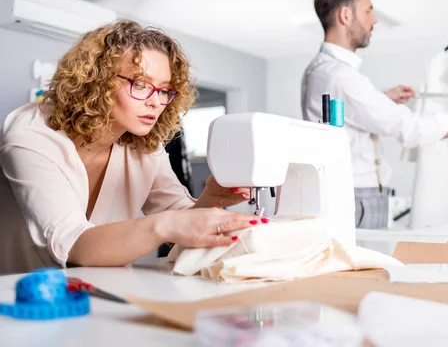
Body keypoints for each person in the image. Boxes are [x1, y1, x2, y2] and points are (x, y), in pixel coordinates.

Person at [0, 19, 267, 275]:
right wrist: (163, 226)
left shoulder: (144, 145)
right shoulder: (32, 135)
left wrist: (211, 199)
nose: (156, 102)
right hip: (21, 299)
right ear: (97, 80)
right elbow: (74, 245)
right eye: (140, 84)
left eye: (164, 90)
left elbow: (180, 221)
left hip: (99, 293)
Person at [301, 0, 448, 229]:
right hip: (358, 199)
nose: (375, 19)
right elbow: (411, 130)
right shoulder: (342, 77)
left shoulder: (322, 70)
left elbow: (347, 112)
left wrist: (382, 100)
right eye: (368, 10)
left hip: (355, 195)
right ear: (345, 16)